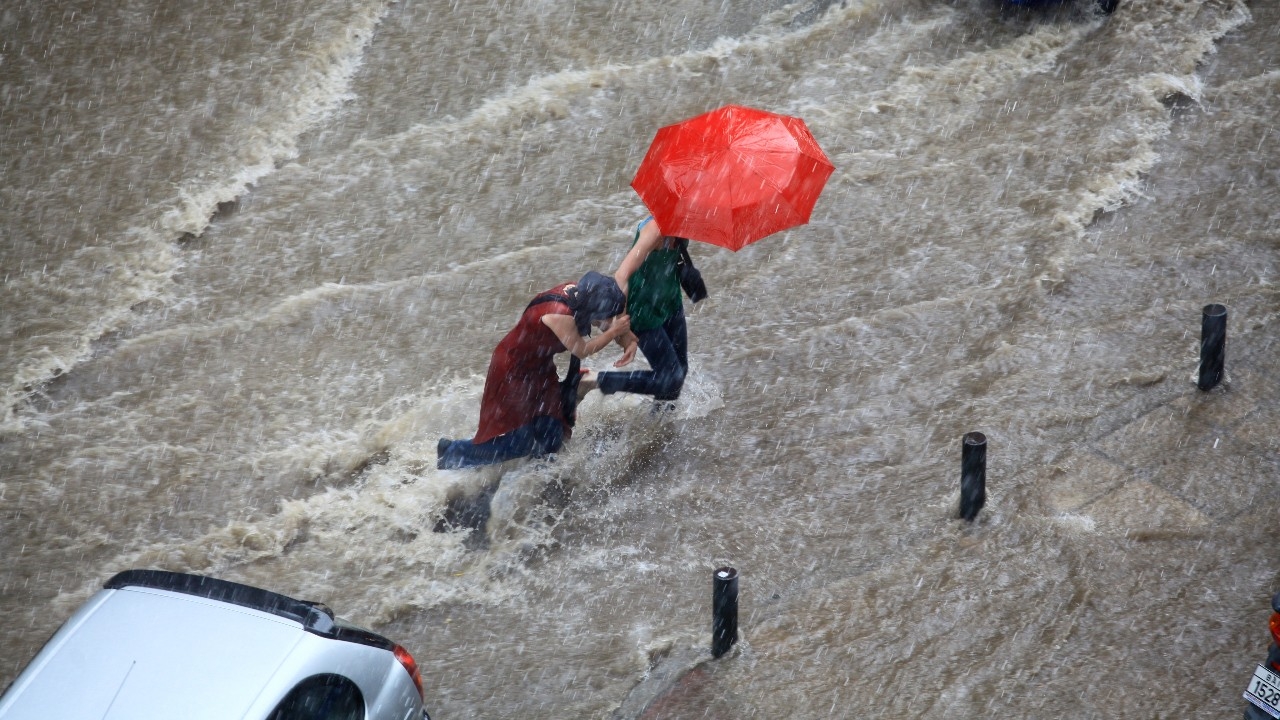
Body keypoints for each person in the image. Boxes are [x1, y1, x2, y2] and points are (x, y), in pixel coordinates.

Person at [437, 271, 631, 469]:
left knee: (552, 430)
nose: (609, 321)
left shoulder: (583, 293)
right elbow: (582, 349)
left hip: (538, 366)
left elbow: (614, 315)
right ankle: (453, 453)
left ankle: (534, 476)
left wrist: (628, 340)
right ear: (593, 310)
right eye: (607, 316)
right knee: (522, 440)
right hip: (513, 370)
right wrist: (615, 332)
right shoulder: (559, 313)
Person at [584, 216, 691, 403]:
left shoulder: (685, 223)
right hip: (643, 311)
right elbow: (621, 276)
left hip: (671, 303)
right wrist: (623, 329)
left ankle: (661, 427)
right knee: (670, 379)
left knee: (679, 372)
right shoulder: (655, 230)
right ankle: (594, 380)